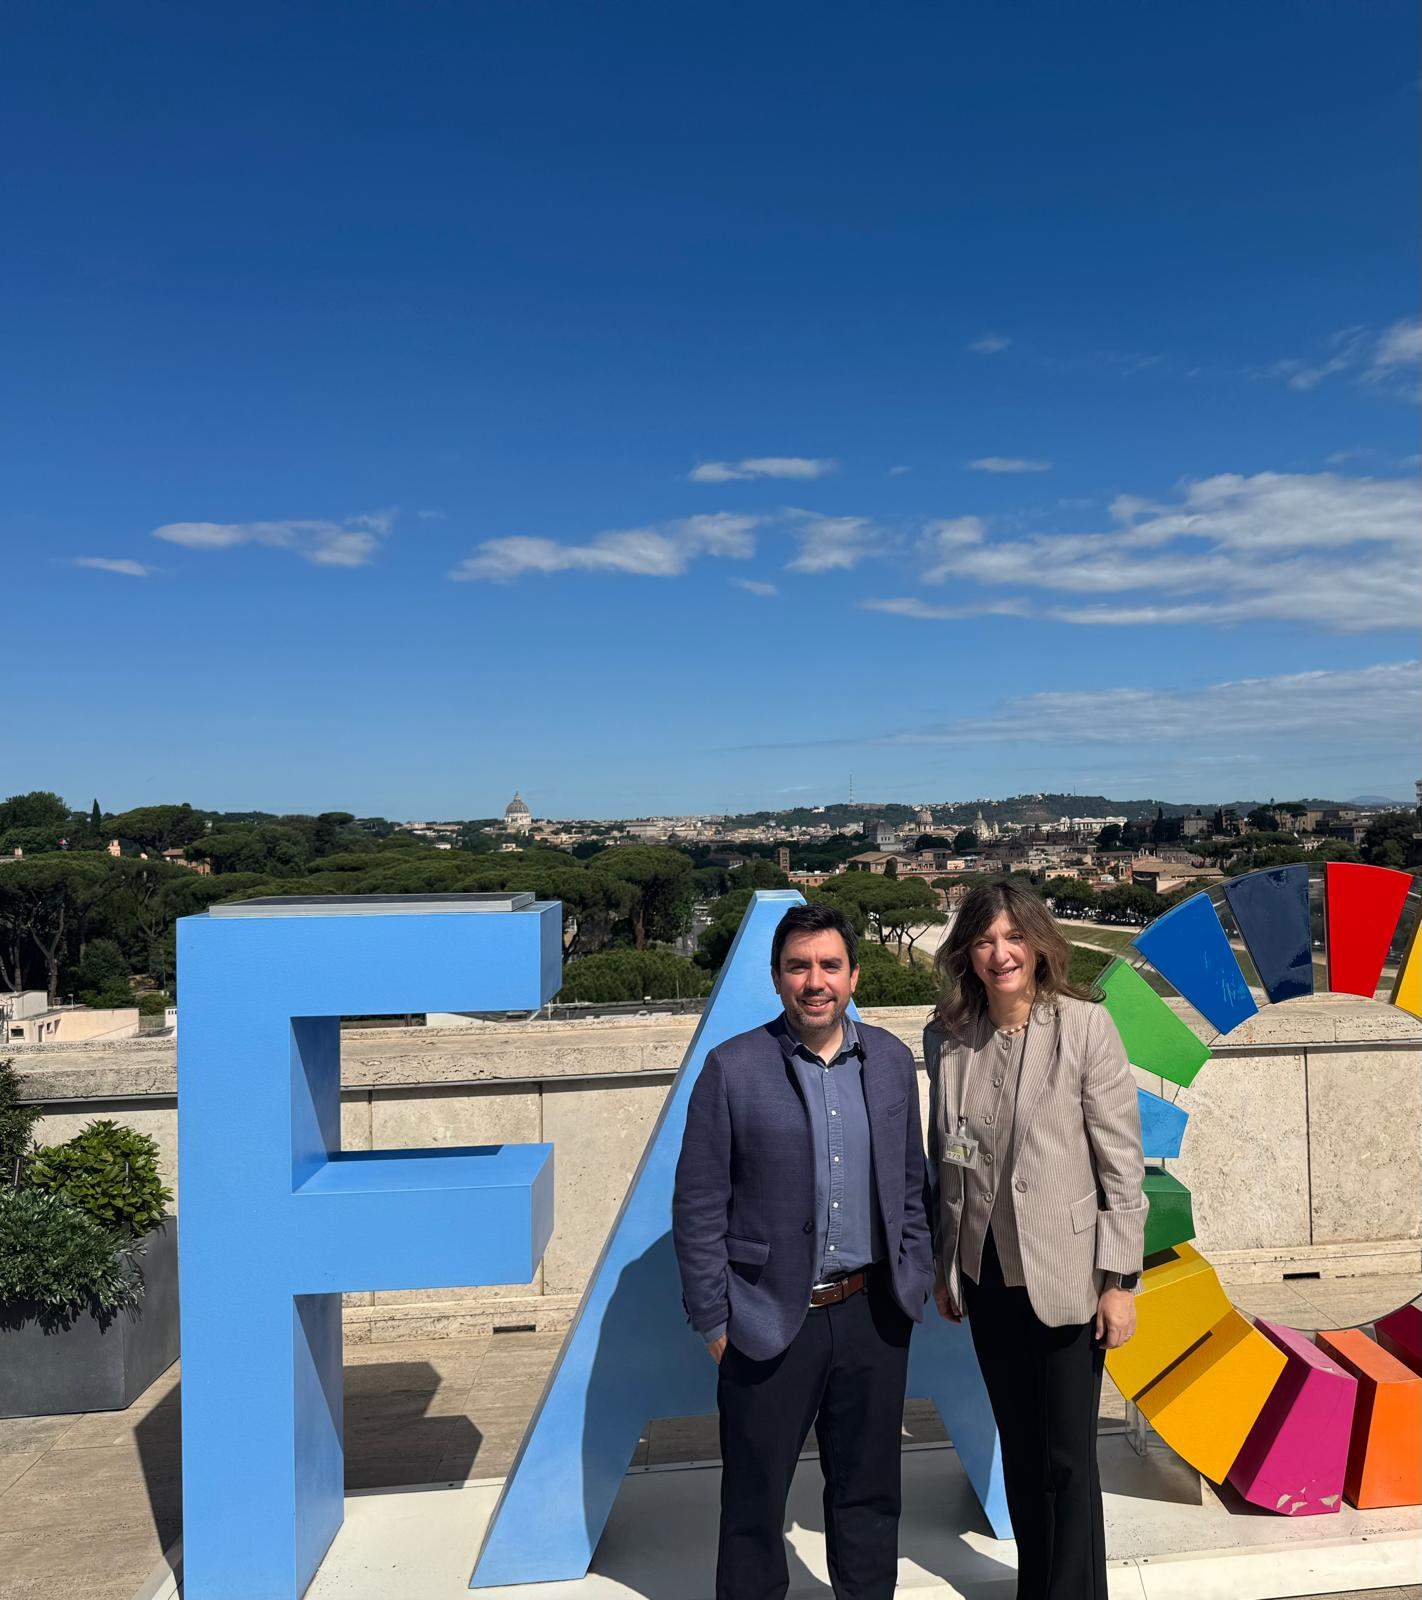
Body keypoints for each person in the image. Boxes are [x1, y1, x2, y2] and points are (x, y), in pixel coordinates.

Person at [673, 900, 934, 1600]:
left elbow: (912, 1184)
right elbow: (699, 1204)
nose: (813, 980)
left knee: (870, 1492)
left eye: (829, 965)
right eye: (798, 967)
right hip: (766, 1321)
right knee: (754, 1505)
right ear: (776, 977)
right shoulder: (733, 1069)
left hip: (873, 1315)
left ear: (853, 976)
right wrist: (715, 1322)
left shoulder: (889, 1061)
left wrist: (913, 1279)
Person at [924, 880, 1145, 1600]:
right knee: (1020, 1452)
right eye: (985, 940)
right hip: (986, 1277)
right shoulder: (949, 1035)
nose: (1000, 953)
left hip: (1070, 1278)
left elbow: (1121, 1165)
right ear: (966, 953)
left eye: (1013, 938)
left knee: (1068, 1460)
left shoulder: (1083, 1027)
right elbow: (946, 1157)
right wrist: (945, 1265)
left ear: (1038, 945)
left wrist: (1120, 1282)